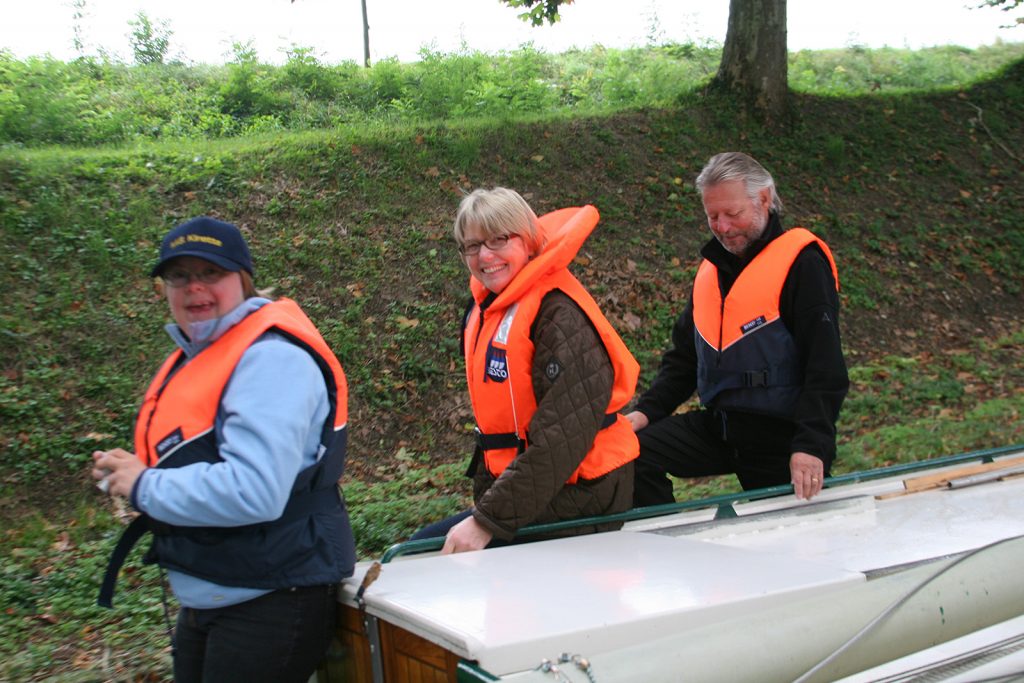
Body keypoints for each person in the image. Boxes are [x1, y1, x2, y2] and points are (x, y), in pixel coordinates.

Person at [91, 216, 355, 683]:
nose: (194, 288)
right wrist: (130, 471)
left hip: (270, 596)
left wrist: (145, 484)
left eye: (211, 273)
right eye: (179, 276)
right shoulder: (205, 354)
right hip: (217, 591)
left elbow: (255, 490)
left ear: (243, 281)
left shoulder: (270, 358)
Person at [413, 187, 640, 554]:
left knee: (418, 554)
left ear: (529, 241)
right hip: (537, 491)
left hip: (585, 493)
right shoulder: (489, 307)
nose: (485, 256)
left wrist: (486, 520)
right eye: (472, 246)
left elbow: (560, 441)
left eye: (499, 239)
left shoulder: (559, 317)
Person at [626, 152, 849, 505]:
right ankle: (670, 543)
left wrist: (811, 445)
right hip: (721, 428)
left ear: (763, 199)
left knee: (795, 544)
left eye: (733, 214)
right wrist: (646, 411)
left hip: (782, 437)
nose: (723, 227)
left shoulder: (803, 263)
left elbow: (825, 368)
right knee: (626, 453)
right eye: (713, 216)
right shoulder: (711, 271)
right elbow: (684, 359)